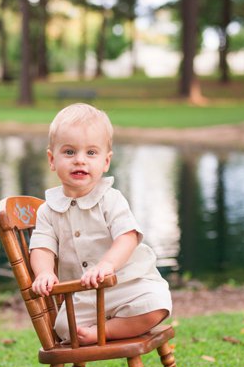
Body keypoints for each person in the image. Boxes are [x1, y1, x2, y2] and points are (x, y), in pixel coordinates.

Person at [28, 102, 171, 345]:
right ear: (52, 160)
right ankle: (97, 328)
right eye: (69, 152)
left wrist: (107, 265)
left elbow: (127, 237)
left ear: (106, 161)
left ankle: (106, 330)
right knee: (64, 327)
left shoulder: (110, 199)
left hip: (126, 283)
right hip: (83, 296)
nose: (80, 161)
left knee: (156, 304)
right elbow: (42, 247)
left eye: (91, 153)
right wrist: (44, 272)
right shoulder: (48, 210)